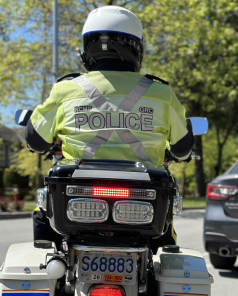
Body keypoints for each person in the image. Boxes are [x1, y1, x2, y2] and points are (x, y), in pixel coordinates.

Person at [26, 5, 194, 251]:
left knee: (42, 214)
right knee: (166, 234)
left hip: (75, 197)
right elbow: (181, 149)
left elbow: (36, 141)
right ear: (137, 48)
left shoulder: (66, 90)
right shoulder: (161, 93)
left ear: (86, 49)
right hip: (144, 199)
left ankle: (50, 274)